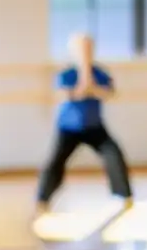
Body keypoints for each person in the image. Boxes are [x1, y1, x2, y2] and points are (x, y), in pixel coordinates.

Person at [35, 33, 133, 215]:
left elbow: (110, 93)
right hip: (68, 129)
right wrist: (83, 88)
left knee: (114, 155)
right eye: (81, 49)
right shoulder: (66, 75)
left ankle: (123, 196)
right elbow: (63, 94)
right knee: (55, 162)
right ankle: (42, 200)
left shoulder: (101, 74)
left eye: (88, 48)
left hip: (95, 128)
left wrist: (92, 87)